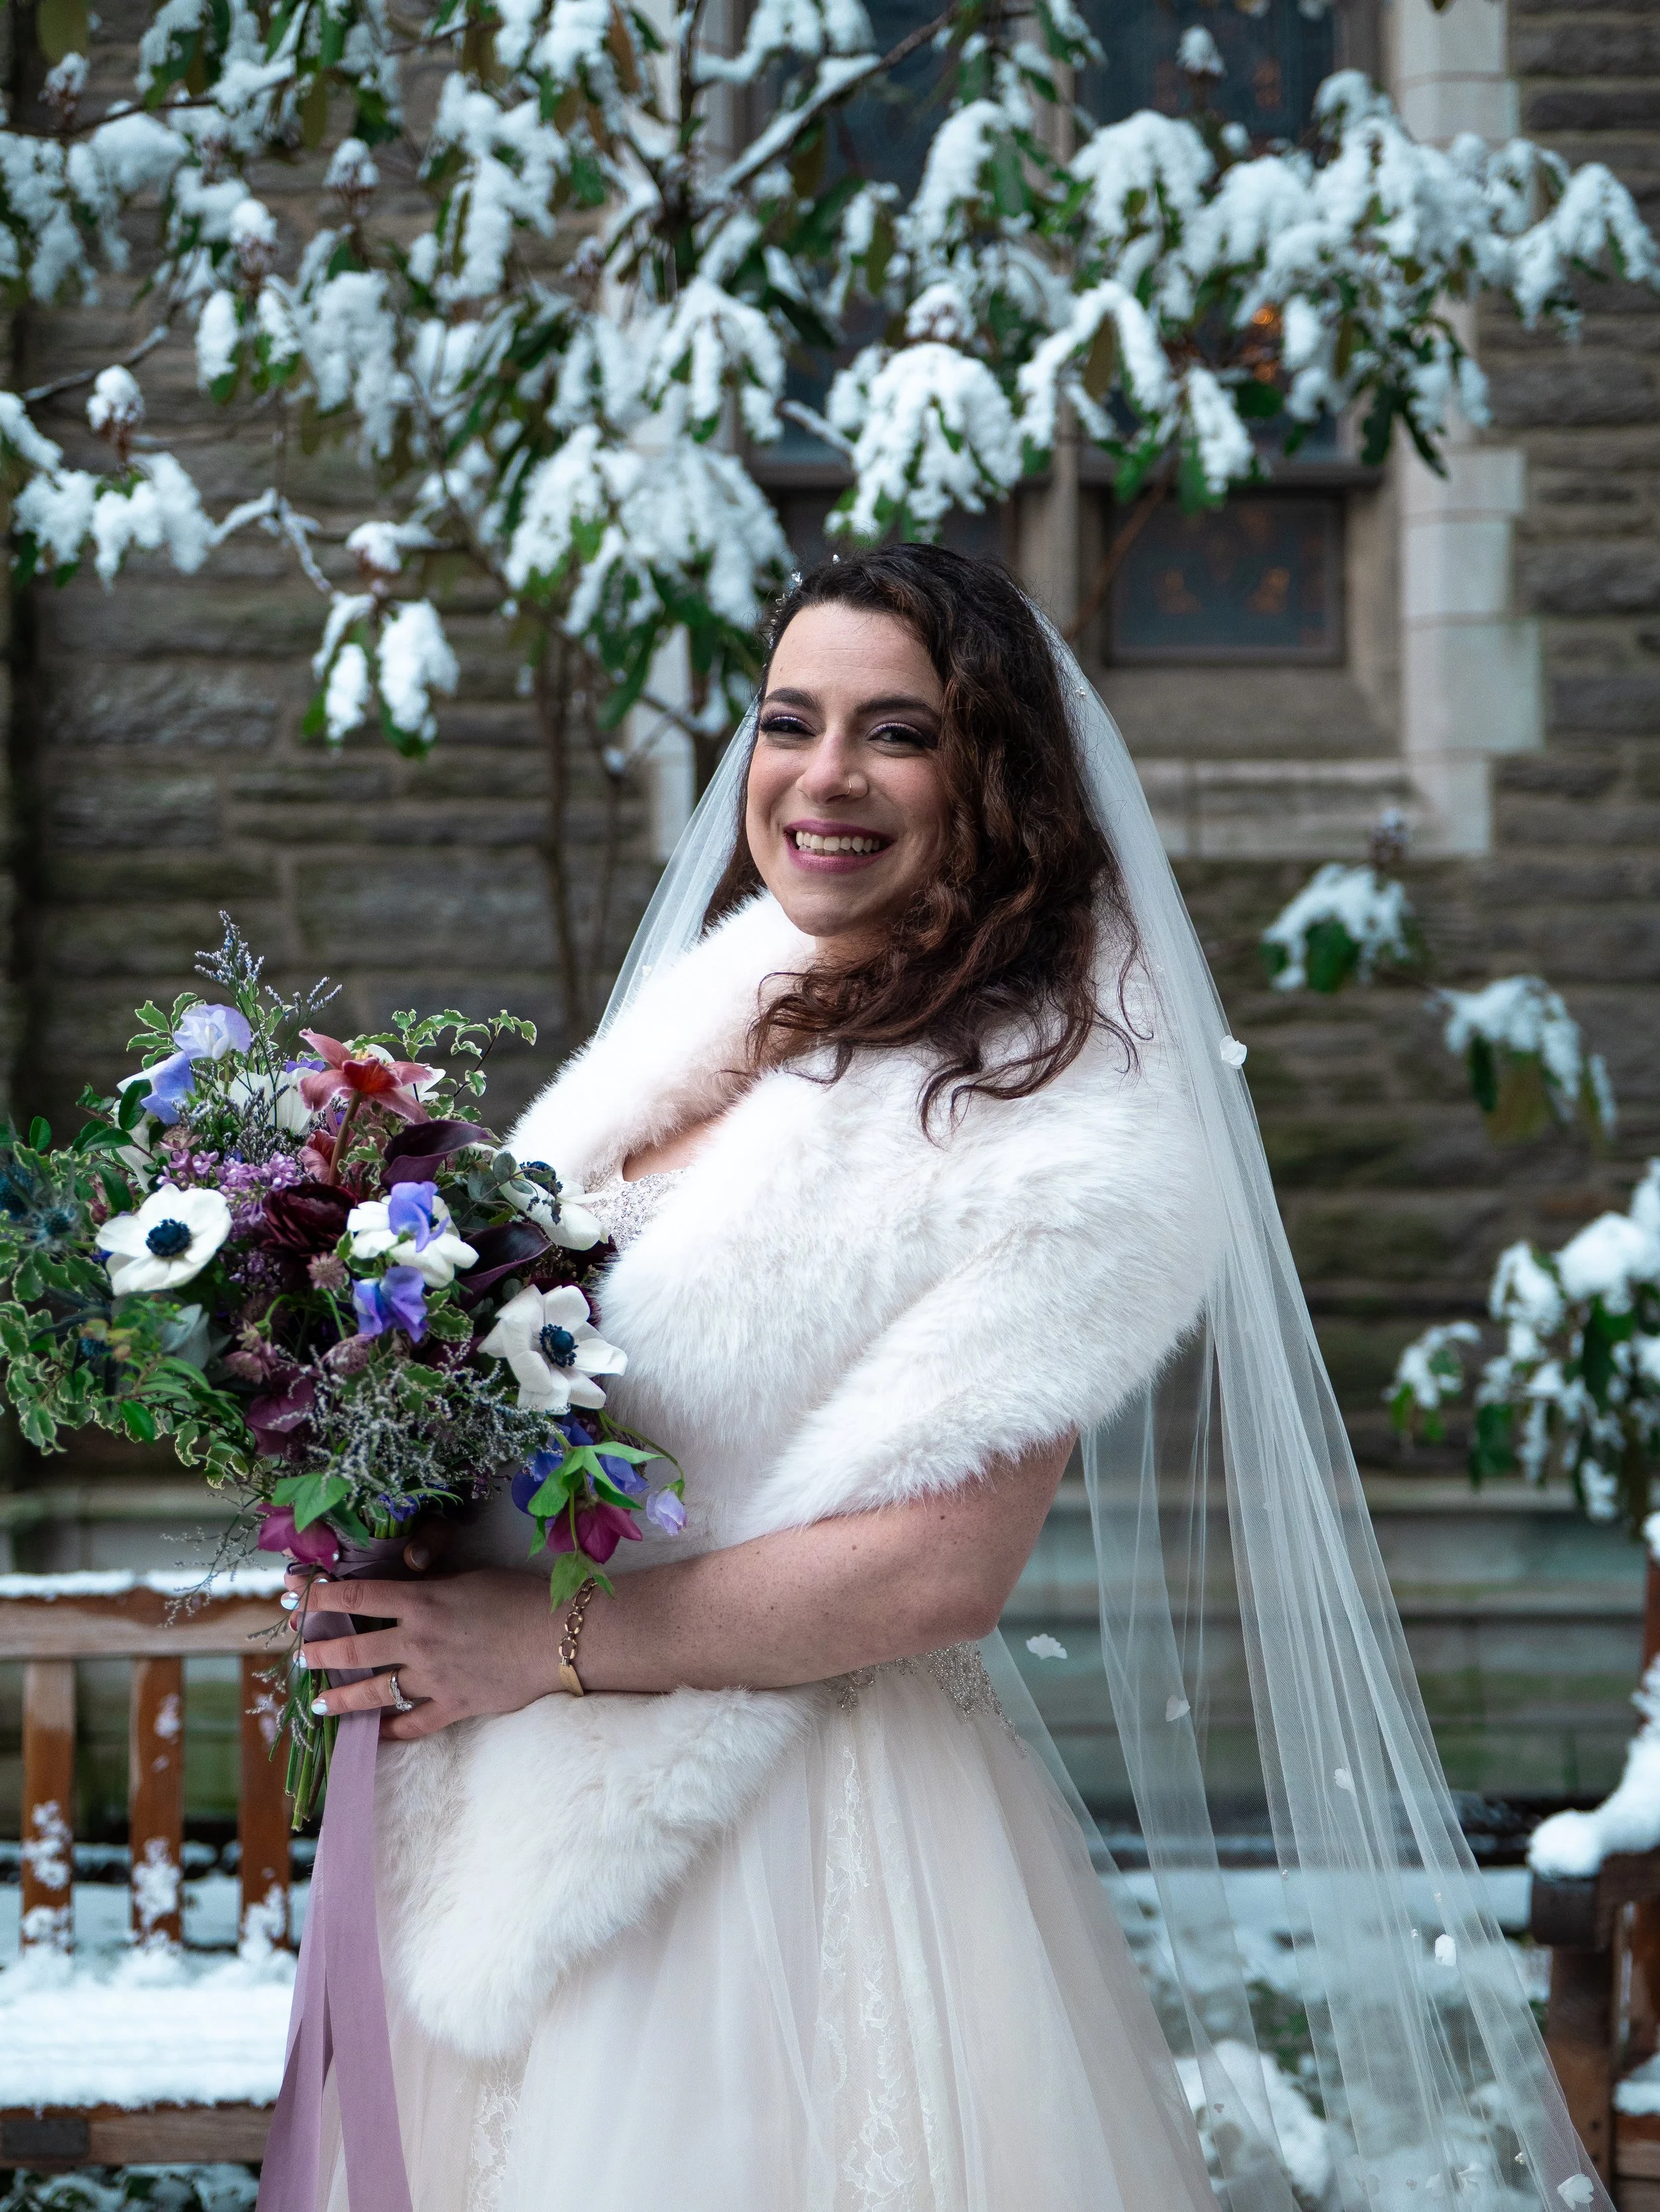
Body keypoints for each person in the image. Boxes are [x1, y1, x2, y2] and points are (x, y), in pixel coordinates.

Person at [292, 546, 1607, 2212]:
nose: (821, 777)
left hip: (782, 1848)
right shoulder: (725, 1008)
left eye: (894, 732)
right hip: (489, 1813)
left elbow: (937, 1569)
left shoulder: (1057, 1123)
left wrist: (532, 1645)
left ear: (993, 776)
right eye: (789, 719)